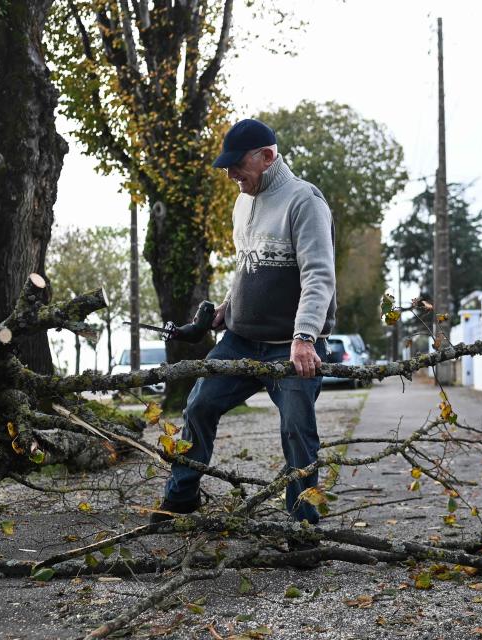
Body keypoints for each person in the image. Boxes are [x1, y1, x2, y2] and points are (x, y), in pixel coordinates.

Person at [151, 118, 337, 538]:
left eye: (237, 165)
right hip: (239, 340)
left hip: (290, 347)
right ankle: (181, 498)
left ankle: (303, 525)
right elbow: (248, 266)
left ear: (267, 157)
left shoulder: (304, 202)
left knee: (296, 429)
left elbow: (319, 276)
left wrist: (304, 337)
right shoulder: (243, 202)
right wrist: (226, 307)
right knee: (199, 405)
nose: (231, 174)